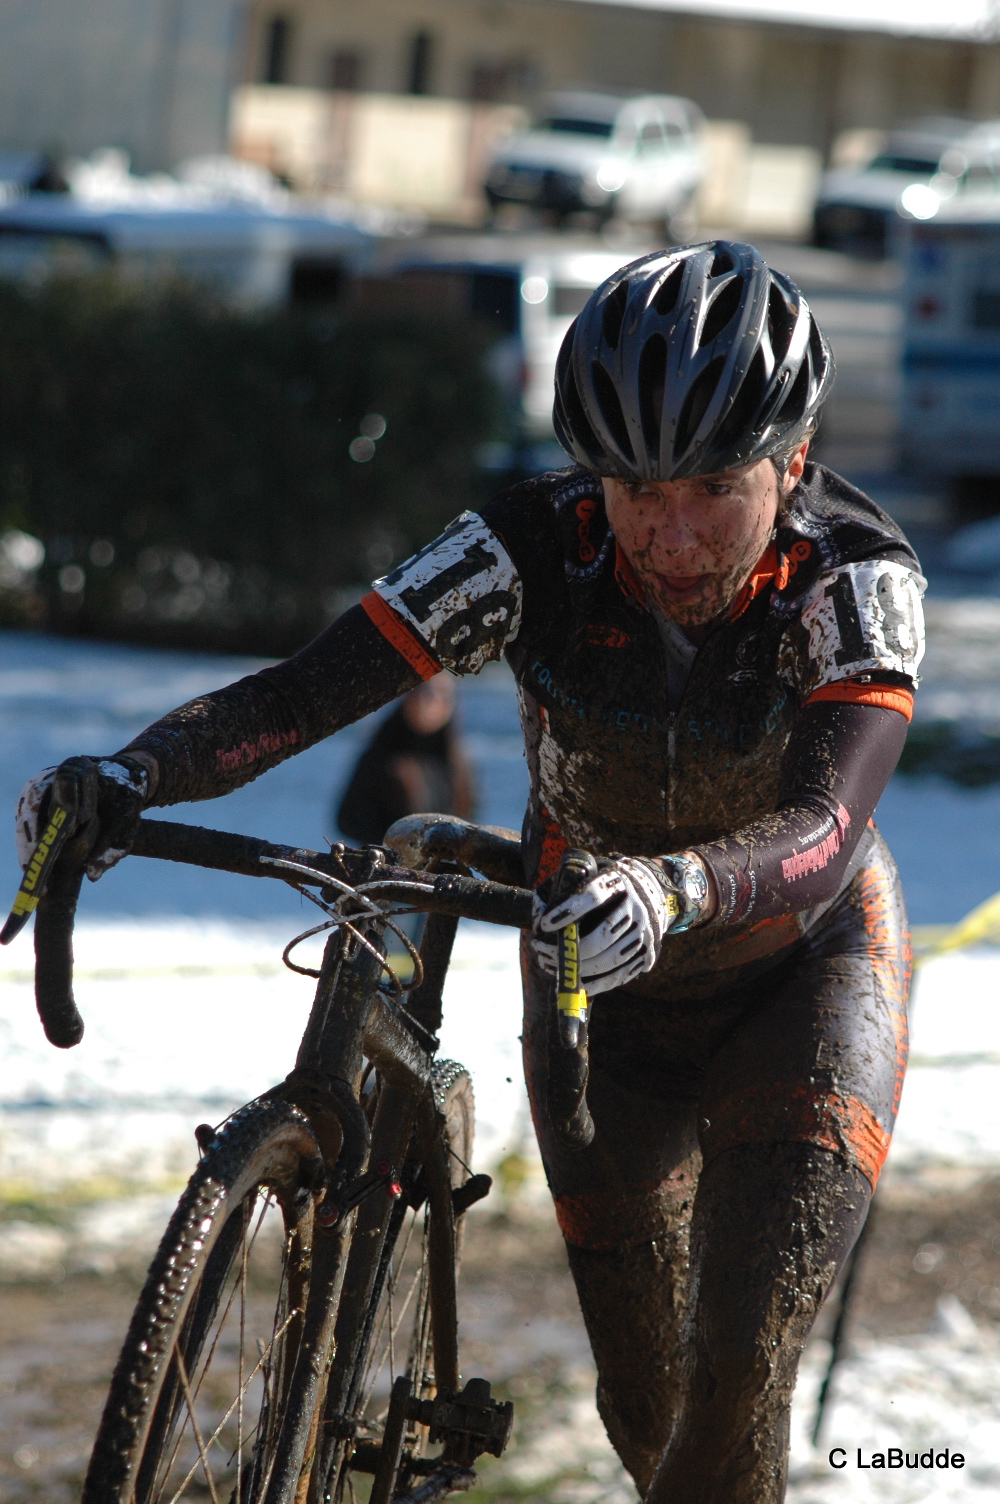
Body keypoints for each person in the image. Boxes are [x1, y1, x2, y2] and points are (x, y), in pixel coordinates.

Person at [13, 242, 923, 1503]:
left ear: (793, 463)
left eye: (714, 485)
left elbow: (827, 827)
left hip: (801, 975)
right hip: (590, 992)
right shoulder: (524, 546)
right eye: (631, 487)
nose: (668, 532)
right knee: (645, 1406)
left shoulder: (855, 576)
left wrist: (671, 888)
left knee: (732, 1377)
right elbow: (302, 690)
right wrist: (135, 773)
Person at [335, 672, 474, 845]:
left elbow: (470, 824)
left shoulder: (458, 762)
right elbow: (345, 820)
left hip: (439, 866)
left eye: (437, 695)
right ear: (406, 697)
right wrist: (393, 844)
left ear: (451, 705)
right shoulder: (383, 752)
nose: (425, 701)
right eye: (418, 691)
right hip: (387, 864)